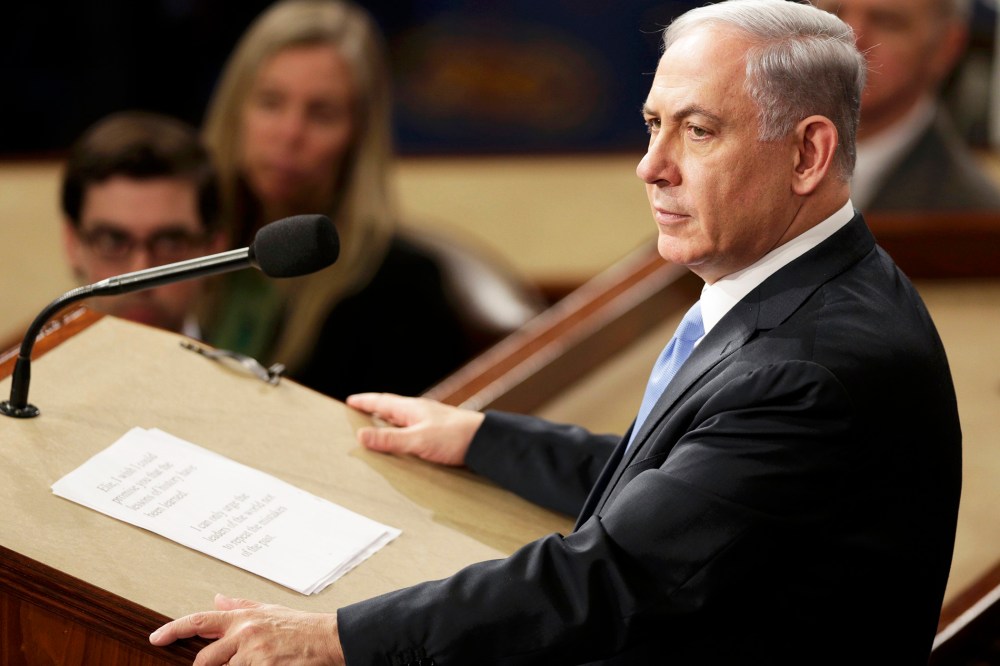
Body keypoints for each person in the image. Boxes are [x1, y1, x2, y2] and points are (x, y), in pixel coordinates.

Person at [150, 1, 962, 663]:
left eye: (698, 131)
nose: (652, 165)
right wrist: (481, 438)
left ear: (809, 153)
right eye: (652, 124)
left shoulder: (815, 365)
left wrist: (331, 638)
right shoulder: (808, 289)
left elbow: (609, 576)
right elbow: (677, 491)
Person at [197, 0, 495, 401]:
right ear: (236, 110)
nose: (289, 133)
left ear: (358, 137)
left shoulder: (402, 287)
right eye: (270, 102)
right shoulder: (180, 242)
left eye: (321, 114)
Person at [814, 0, 1000, 211]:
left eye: (886, 22)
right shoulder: (775, 164)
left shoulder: (975, 221)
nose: (848, 40)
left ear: (946, 47)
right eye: (832, 14)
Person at [61, 111, 224, 334]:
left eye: (170, 244)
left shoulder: (244, 369)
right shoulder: (30, 369)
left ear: (214, 249)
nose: (140, 275)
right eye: (112, 242)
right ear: (72, 244)